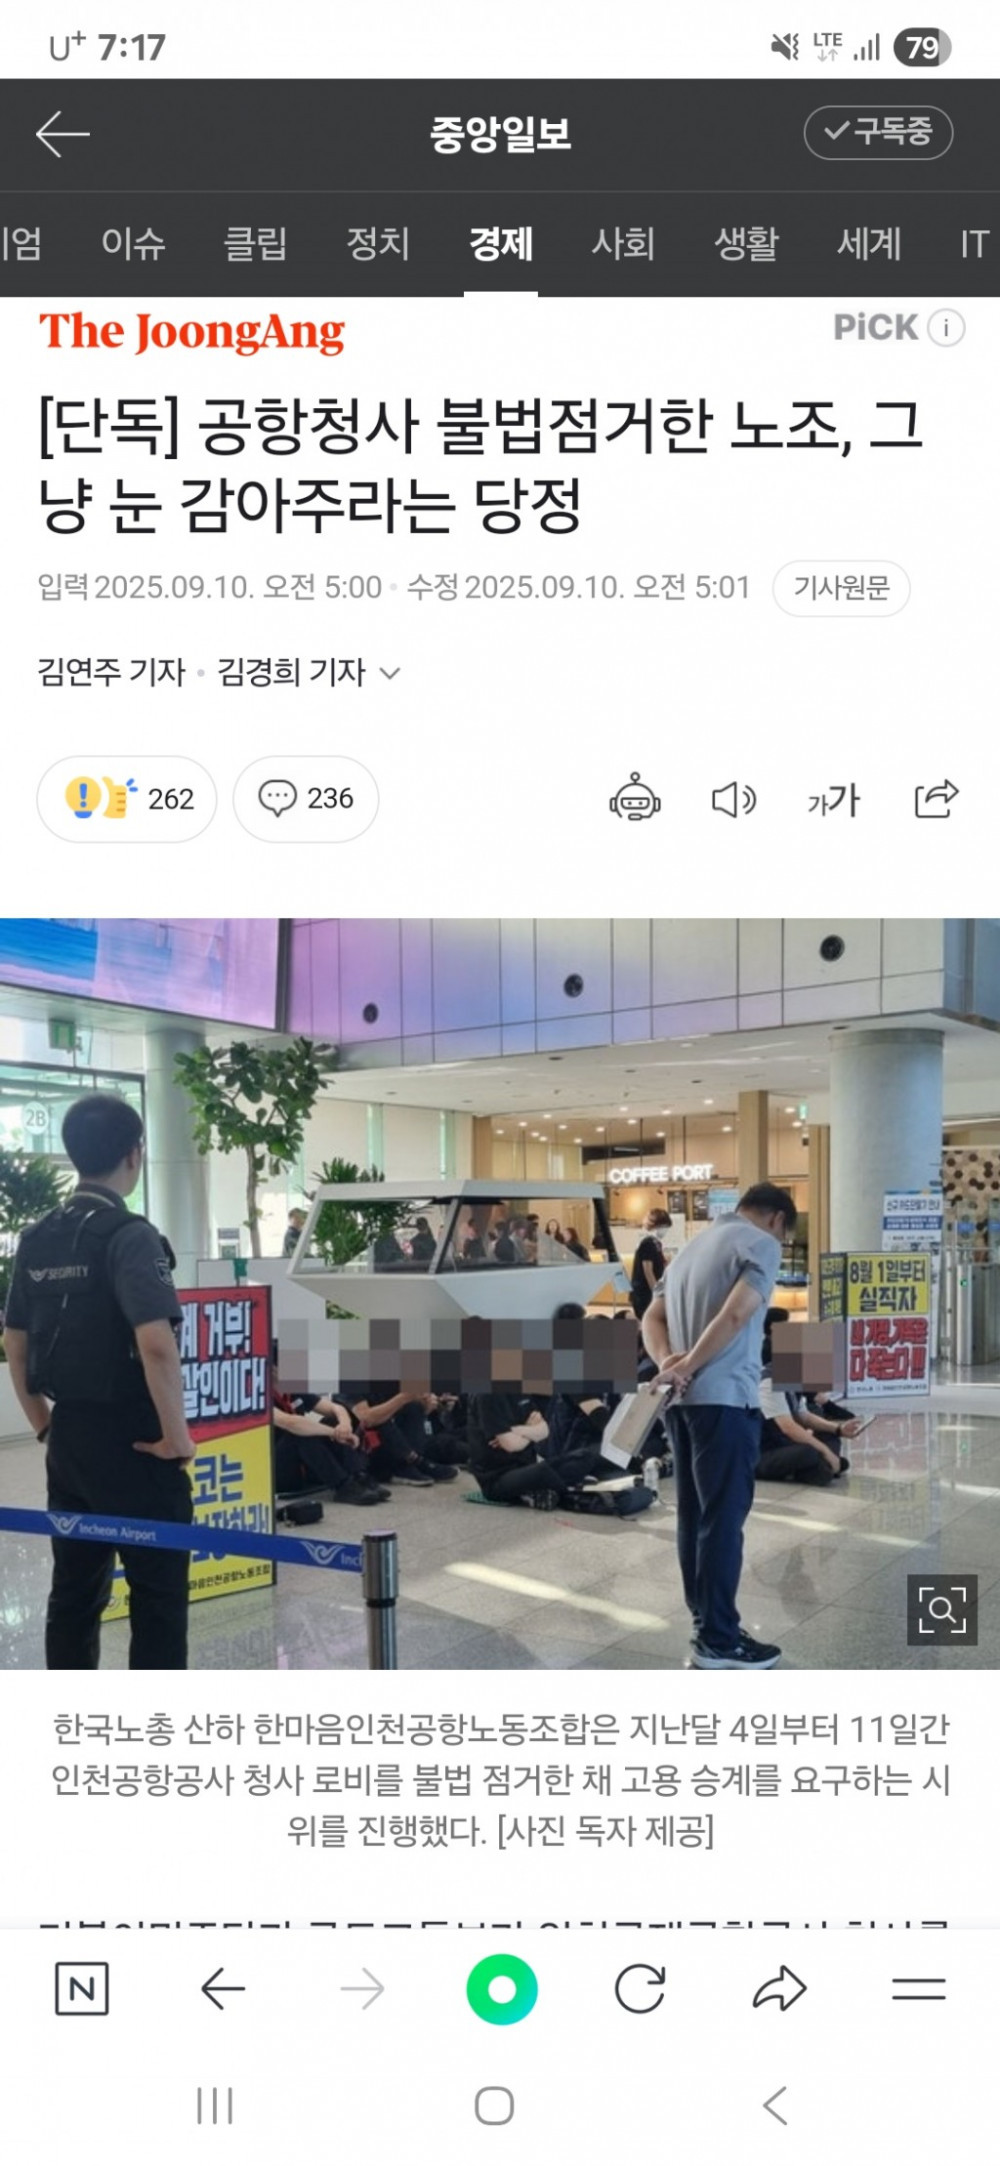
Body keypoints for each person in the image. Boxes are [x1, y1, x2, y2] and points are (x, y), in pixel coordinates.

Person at [3, 1091, 195, 1670]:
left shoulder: (37, 1237)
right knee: (158, 1598)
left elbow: (15, 1341)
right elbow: (156, 1346)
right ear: (134, 1154)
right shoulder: (129, 1235)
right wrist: (177, 1438)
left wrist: (45, 1426)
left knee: (74, 1594)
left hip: (70, 1438)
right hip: (138, 1441)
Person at [642, 1181, 798, 1671]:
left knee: (694, 1517)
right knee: (723, 1522)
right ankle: (719, 1640)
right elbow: (735, 1316)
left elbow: (651, 1317)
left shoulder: (689, 1249)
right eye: (785, 1232)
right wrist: (689, 1366)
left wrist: (669, 1363)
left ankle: (708, 1624)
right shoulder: (761, 1244)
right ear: (777, 1218)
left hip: (681, 1403)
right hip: (725, 1399)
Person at [272, 1372, 389, 1506]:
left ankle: (358, 1476)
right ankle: (343, 1485)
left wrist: (344, 1425)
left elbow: (336, 1408)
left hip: (302, 1464)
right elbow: (290, 1423)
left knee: (332, 1421)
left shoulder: (292, 1390)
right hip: (277, 1472)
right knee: (299, 1434)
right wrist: (334, 1433)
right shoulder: (259, 1398)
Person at [630, 1207, 672, 1321]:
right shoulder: (647, 1243)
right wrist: (656, 1292)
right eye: (663, 1226)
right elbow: (648, 1270)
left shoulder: (656, 1243)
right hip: (644, 1293)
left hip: (649, 1291)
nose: (665, 1230)